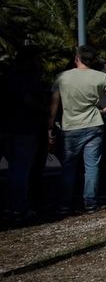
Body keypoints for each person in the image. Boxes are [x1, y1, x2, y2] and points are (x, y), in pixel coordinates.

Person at [48, 46, 106, 213]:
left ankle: (65, 203)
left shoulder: (62, 77)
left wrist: (50, 124)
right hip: (94, 124)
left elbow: (55, 103)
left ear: (77, 58)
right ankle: (90, 201)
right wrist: (105, 110)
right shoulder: (101, 76)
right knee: (92, 165)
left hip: (70, 125)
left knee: (69, 166)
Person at [0, 46, 48, 221]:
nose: (40, 62)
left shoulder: (8, 76)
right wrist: (45, 110)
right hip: (23, 128)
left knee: (14, 169)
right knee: (20, 169)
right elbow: (29, 100)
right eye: (37, 59)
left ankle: (11, 206)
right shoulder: (23, 79)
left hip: (10, 127)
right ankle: (19, 208)